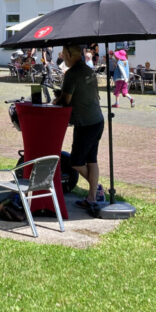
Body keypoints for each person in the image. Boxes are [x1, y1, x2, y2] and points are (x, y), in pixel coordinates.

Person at [53, 44, 104, 216]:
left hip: (85, 123)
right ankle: (92, 197)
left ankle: (96, 189)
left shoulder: (72, 73)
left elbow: (66, 100)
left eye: (62, 54)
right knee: (91, 159)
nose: (62, 58)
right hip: (97, 120)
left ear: (68, 54)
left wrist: (56, 100)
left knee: (76, 161)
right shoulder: (89, 70)